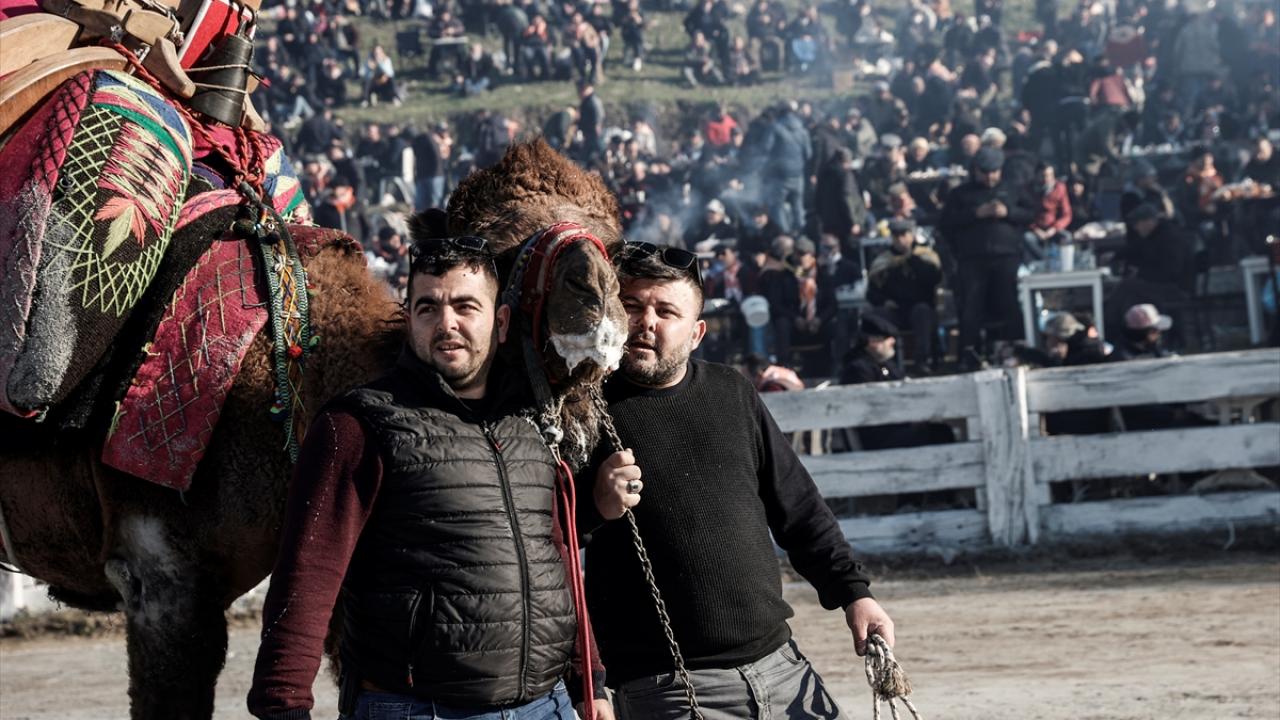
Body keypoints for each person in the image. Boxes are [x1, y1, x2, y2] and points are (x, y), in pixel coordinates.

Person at [248, 238, 609, 720]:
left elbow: (556, 562)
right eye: (428, 308)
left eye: (465, 306)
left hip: (548, 705)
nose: (447, 324)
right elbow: (306, 579)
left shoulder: (529, 422)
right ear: (409, 317)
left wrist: (591, 683)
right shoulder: (358, 425)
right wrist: (283, 707)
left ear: (500, 321)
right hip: (418, 709)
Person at [583, 242, 896, 719]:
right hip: (669, 688)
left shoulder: (732, 391)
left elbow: (800, 510)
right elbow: (548, 544)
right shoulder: (584, 408)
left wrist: (854, 592)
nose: (646, 322)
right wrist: (596, 505)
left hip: (781, 665)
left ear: (696, 332)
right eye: (632, 306)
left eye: (666, 311)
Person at [938, 147, 1033, 367]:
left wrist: (1008, 212)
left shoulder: (1012, 189)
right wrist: (975, 214)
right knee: (971, 306)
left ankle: (1013, 350)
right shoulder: (960, 194)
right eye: (985, 172)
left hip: (1006, 256)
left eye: (994, 171)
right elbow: (946, 224)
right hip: (972, 259)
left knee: (1009, 303)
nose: (990, 177)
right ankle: (969, 354)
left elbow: (1030, 214)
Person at [867, 219, 942, 372]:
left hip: (920, 308)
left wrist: (912, 259)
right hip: (896, 310)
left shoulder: (925, 256)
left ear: (911, 235)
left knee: (922, 312)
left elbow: (934, 279)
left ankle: (923, 360)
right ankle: (880, 362)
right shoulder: (884, 260)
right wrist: (884, 301)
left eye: (904, 235)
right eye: (896, 236)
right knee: (874, 316)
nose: (900, 239)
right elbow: (872, 292)